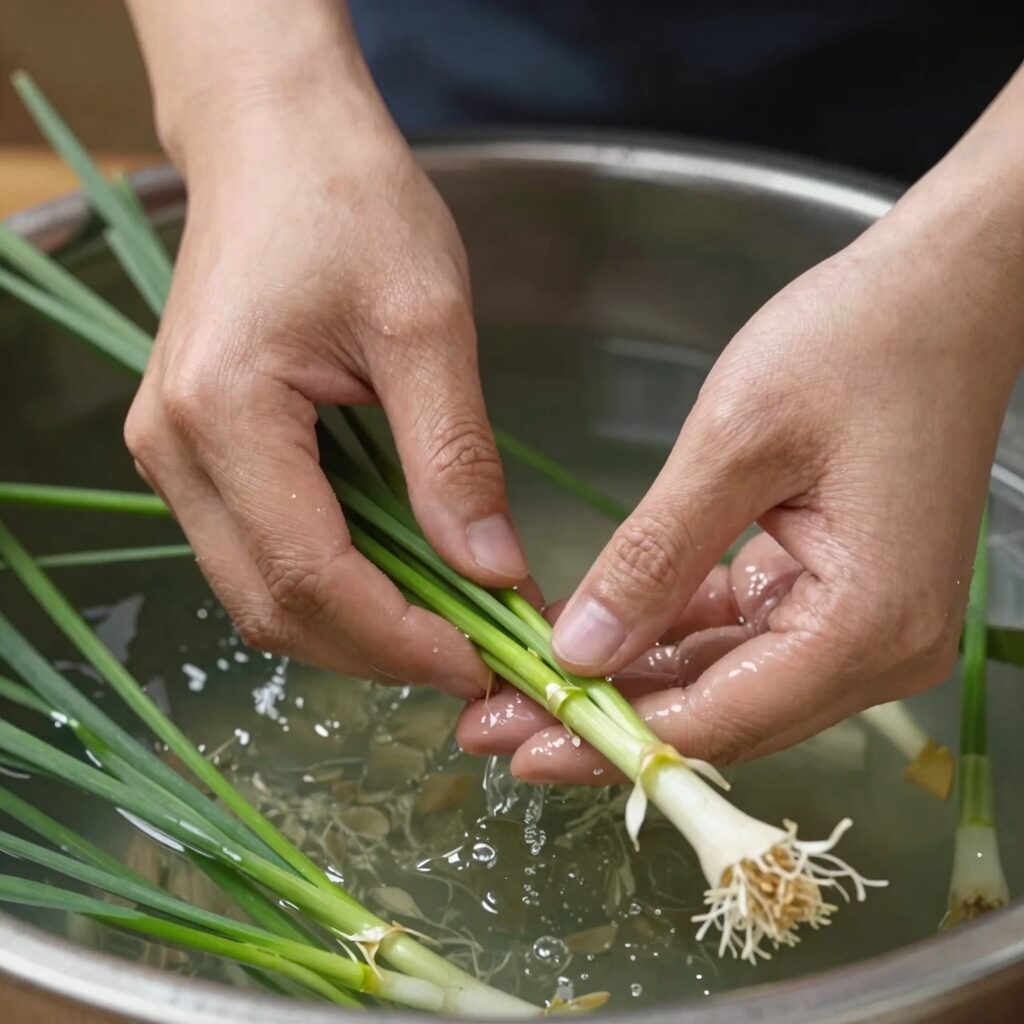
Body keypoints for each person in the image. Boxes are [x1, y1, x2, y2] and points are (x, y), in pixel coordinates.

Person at [122, 1, 1024, 784]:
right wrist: (261, 111)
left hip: (964, 136)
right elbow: (265, 107)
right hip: (404, 83)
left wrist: (978, 265)